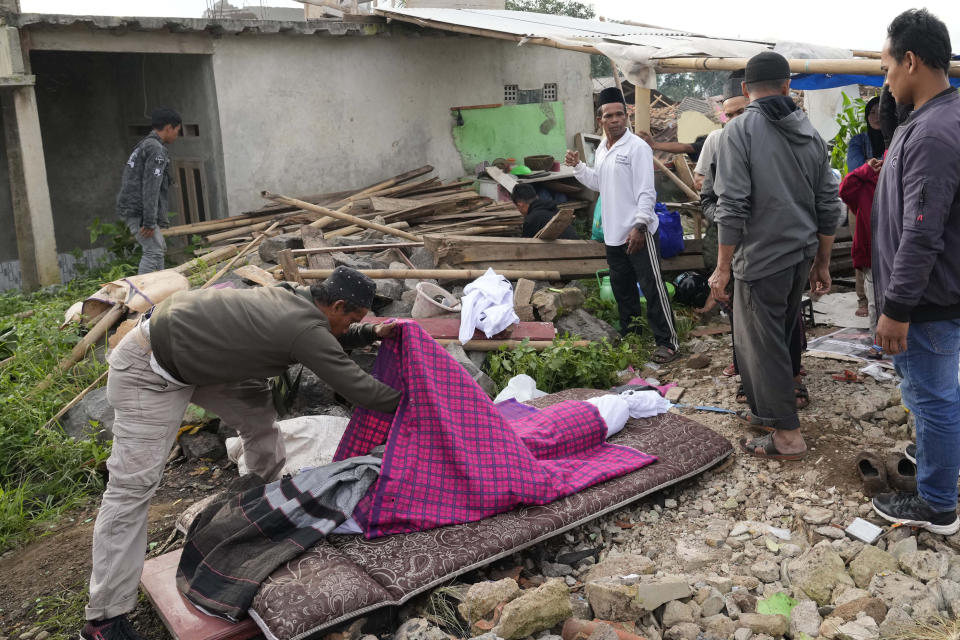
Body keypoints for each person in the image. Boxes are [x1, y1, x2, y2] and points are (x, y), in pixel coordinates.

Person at [81, 267, 401, 640]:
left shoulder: (296, 297)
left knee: (265, 437)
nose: (351, 327)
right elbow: (361, 388)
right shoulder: (303, 327)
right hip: (151, 369)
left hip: (201, 359)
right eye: (353, 319)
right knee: (131, 491)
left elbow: (330, 337)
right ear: (337, 304)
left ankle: (244, 523)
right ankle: (104, 617)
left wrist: (371, 331)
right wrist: (424, 401)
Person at [708, 51, 840, 460]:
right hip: (799, 257)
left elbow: (731, 207)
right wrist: (822, 262)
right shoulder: (811, 134)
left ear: (746, 90)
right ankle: (771, 413)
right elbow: (828, 205)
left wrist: (722, 268)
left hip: (760, 261)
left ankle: (787, 436)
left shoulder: (738, 132)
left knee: (760, 348)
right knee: (782, 339)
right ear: (787, 86)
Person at [870, 8, 960, 535]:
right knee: (932, 394)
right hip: (929, 291)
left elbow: (922, 231)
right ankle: (938, 455)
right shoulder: (929, 119)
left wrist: (897, 308)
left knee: (934, 396)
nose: (885, 80)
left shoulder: (932, 132)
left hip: (924, 297)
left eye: (887, 68)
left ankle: (938, 505)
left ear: (910, 60)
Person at [700, 70, 811, 408]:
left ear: (749, 101)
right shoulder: (718, 143)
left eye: (740, 111)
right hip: (731, 246)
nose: (735, 118)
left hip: (771, 248)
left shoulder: (774, 137)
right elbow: (709, 200)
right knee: (740, 318)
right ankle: (750, 383)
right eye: (729, 114)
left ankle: (790, 378)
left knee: (782, 317)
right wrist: (731, 229)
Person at [566, 87, 679, 363]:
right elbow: (600, 184)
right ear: (600, 119)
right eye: (609, 115)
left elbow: (646, 191)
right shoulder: (603, 149)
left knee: (652, 288)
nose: (615, 119)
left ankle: (668, 343)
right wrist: (579, 167)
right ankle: (632, 336)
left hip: (638, 233)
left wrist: (640, 226)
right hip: (613, 235)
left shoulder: (637, 147)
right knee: (623, 291)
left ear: (626, 116)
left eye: (620, 114)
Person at [839, 96, 884, 335]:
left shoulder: (895, 136)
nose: (876, 115)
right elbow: (854, 170)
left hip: (885, 199)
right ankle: (862, 299)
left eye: (880, 110)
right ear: (867, 116)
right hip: (861, 199)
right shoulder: (860, 140)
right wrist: (871, 168)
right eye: (872, 111)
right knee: (864, 246)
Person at [116, 108, 180, 275]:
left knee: (159, 248)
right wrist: (149, 221)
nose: (177, 135)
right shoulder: (156, 150)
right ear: (168, 128)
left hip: (133, 207)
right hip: (139, 211)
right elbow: (151, 186)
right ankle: (141, 296)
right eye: (177, 131)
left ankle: (159, 291)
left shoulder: (145, 144)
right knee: (153, 251)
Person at [511, 184, 578, 239]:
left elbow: (525, 247)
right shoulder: (554, 209)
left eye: (518, 208)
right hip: (577, 245)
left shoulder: (531, 219)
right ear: (537, 197)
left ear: (520, 204)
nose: (520, 211)